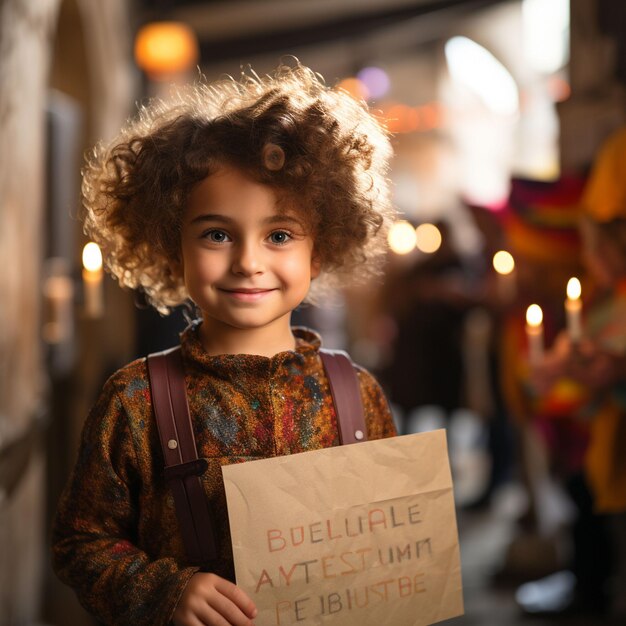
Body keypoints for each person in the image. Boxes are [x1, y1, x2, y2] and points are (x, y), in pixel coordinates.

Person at [51, 63, 397, 626]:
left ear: (321, 246)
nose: (248, 262)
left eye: (279, 235)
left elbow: (390, 540)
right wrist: (164, 593)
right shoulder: (134, 401)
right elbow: (79, 542)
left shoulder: (356, 396)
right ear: (172, 242)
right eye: (216, 234)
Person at [520, 128, 626, 619]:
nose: (588, 255)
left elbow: (602, 366)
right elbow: (580, 365)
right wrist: (555, 371)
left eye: (594, 242)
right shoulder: (610, 298)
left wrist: (604, 369)